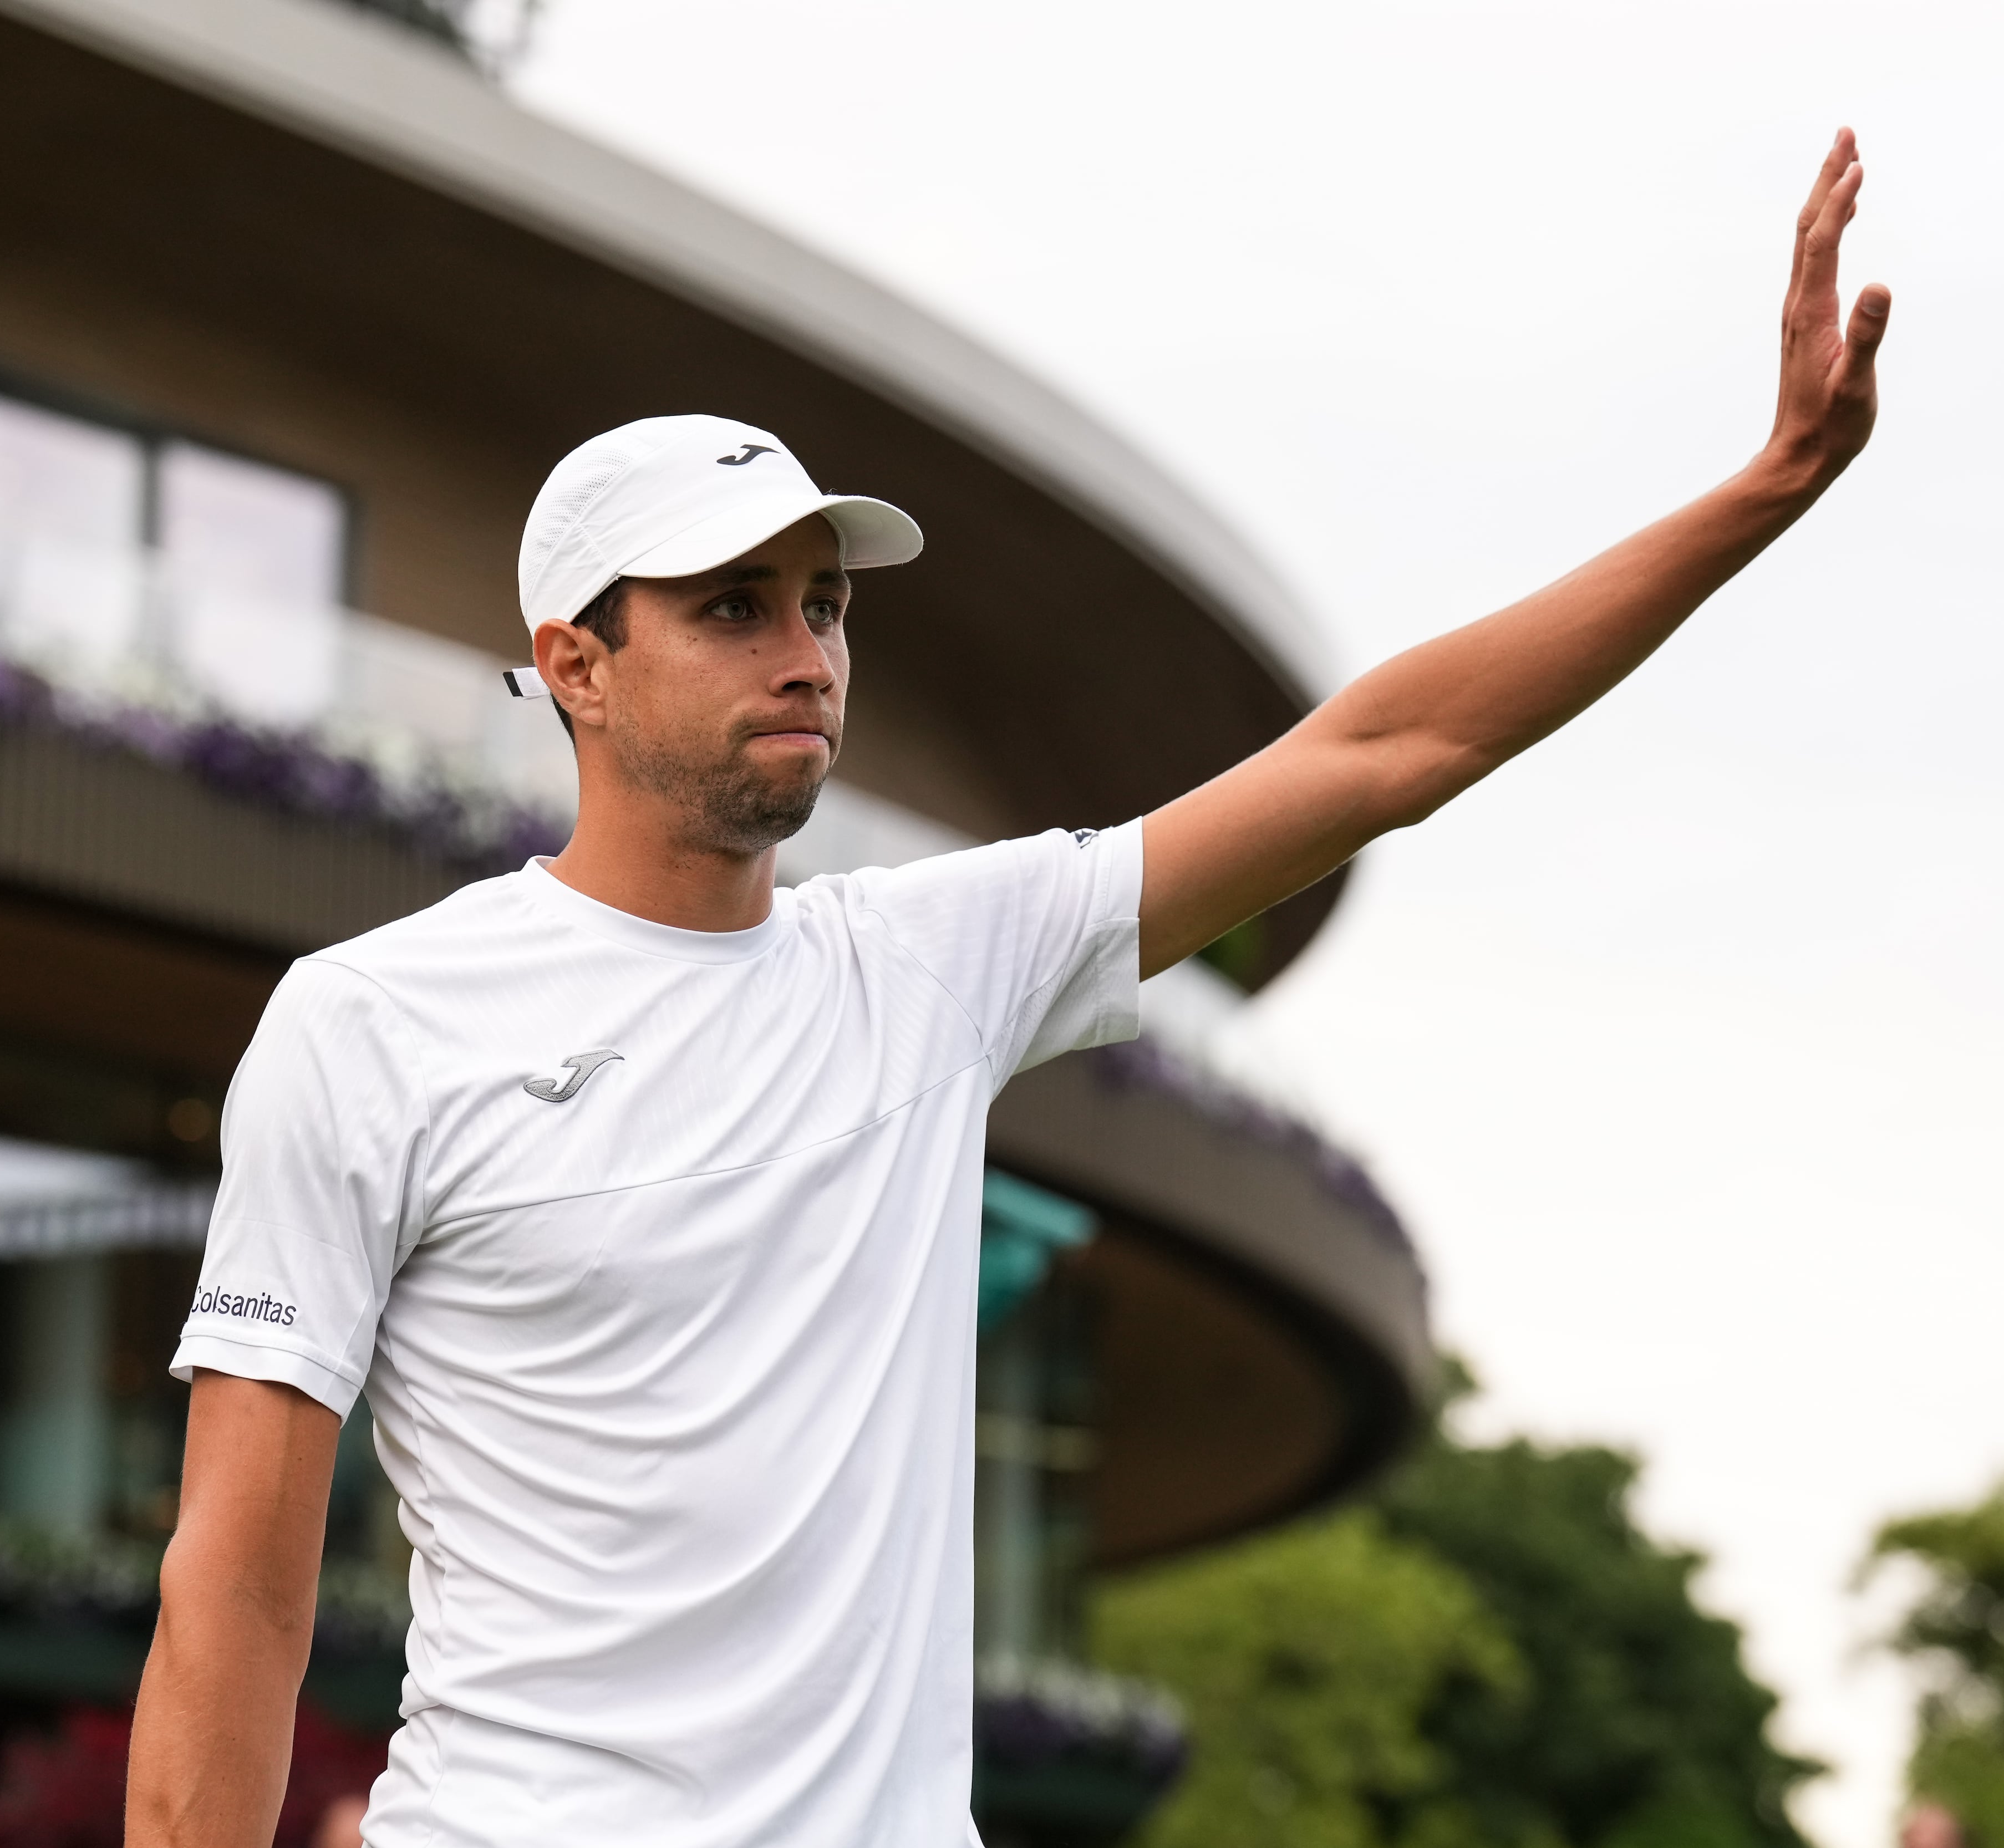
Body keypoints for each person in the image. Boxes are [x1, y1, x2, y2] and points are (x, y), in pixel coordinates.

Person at [125, 131, 1890, 1848]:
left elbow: (1385, 749)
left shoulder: (933, 968)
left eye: (824, 606)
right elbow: (239, 1589)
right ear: (577, 666)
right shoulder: (369, 1024)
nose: (808, 654)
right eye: (734, 607)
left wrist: (1762, 493)